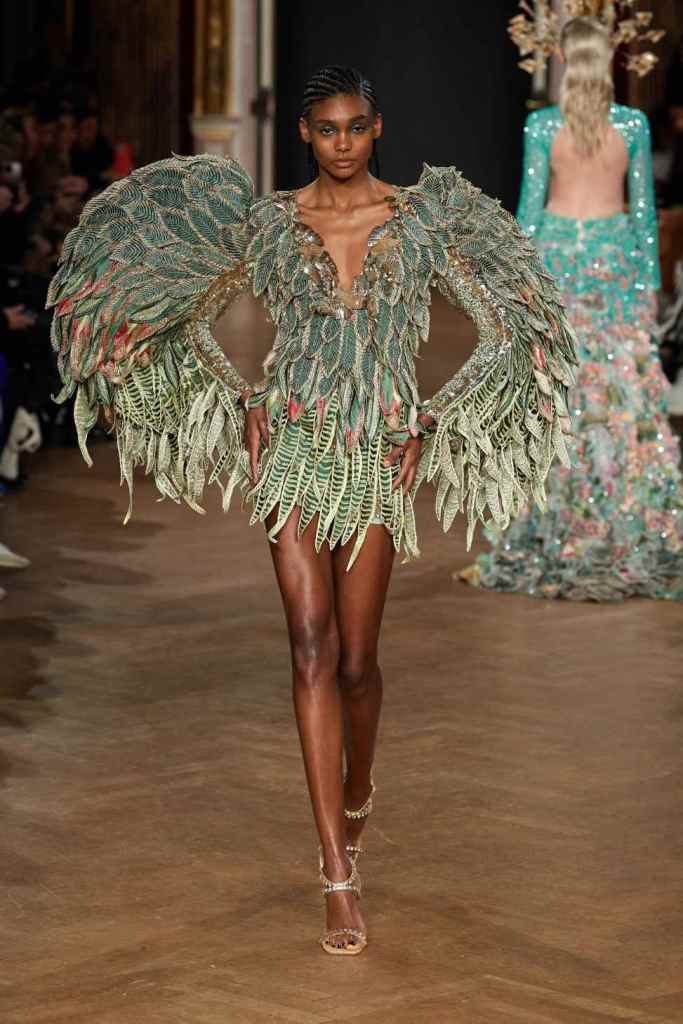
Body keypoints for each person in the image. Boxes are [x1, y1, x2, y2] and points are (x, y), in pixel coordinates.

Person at [48, 65, 576, 955]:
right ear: (303, 133)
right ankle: (336, 870)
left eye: (355, 127)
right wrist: (240, 397)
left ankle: (358, 789)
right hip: (293, 445)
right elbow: (181, 318)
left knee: (358, 664)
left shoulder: (421, 218)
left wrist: (434, 418)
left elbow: (509, 329)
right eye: (326, 129)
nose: (341, 143)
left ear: (377, 128)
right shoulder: (267, 223)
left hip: (374, 453)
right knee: (309, 645)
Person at [462, 16, 683, 602]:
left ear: (562, 57)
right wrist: (649, 286)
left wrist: (514, 283)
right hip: (615, 264)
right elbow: (643, 214)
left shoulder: (543, 125)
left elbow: (530, 213)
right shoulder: (631, 125)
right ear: (607, 59)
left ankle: (553, 526)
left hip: (558, 262)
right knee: (620, 393)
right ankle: (627, 522)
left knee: (558, 393)